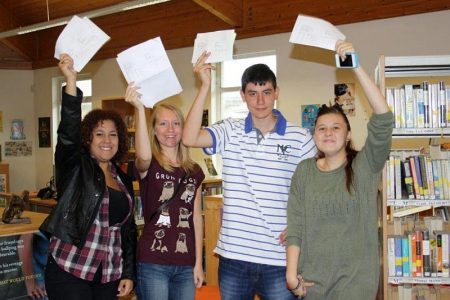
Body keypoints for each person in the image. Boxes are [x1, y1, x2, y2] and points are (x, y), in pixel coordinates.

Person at [183, 52, 316, 300]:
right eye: (253, 93)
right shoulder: (229, 130)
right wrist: (204, 86)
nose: (260, 101)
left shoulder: (300, 137)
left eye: (266, 92)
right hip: (234, 257)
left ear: (277, 92)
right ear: (243, 96)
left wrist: (303, 223)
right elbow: (189, 138)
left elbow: (319, 187)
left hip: (280, 258)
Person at [285, 40, 394, 299]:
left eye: (336, 127)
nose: (328, 132)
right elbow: (295, 225)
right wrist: (291, 275)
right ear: (314, 136)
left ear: (347, 135)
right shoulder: (304, 171)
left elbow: (383, 119)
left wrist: (355, 66)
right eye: (321, 128)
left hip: (356, 285)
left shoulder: (364, 167)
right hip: (311, 283)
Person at [39, 54, 137, 299]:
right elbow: (67, 135)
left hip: (108, 275)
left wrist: (128, 272)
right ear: (88, 139)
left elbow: (128, 232)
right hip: (70, 270)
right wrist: (71, 82)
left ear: (120, 140)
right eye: (99, 134)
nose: (106, 140)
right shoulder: (75, 167)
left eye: (113, 135)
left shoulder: (122, 179)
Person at [125, 84, 205, 300]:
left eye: (176, 124)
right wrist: (140, 110)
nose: (171, 130)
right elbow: (142, 157)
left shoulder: (194, 171)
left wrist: (198, 263)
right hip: (153, 263)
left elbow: (196, 218)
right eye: (163, 124)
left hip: (185, 265)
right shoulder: (150, 165)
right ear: (154, 129)